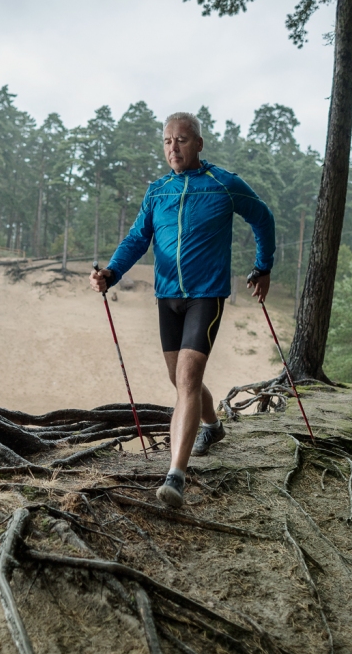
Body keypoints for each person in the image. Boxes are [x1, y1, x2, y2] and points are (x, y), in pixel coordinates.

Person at [89, 111, 275, 508]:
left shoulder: (223, 184)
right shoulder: (157, 191)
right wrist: (112, 272)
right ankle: (212, 424)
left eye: (182, 140)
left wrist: (263, 266)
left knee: (188, 377)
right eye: (168, 141)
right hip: (167, 296)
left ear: (199, 144)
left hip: (207, 295)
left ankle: (176, 475)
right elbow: (139, 237)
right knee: (178, 378)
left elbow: (263, 217)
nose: (174, 147)